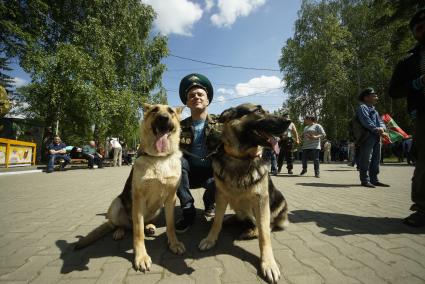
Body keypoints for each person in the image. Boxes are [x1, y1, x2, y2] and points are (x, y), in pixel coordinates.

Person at [389, 7, 425, 227]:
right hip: (424, 114)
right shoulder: (409, 61)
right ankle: (422, 208)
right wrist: (418, 83)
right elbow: (394, 90)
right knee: (424, 162)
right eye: (419, 28)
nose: (423, 30)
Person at [175, 73, 222, 233]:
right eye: (191, 95)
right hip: (188, 173)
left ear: (207, 99)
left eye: (200, 94)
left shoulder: (221, 123)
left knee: (224, 172)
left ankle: (210, 203)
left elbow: (239, 138)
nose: (196, 97)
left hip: (212, 173)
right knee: (176, 163)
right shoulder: (179, 127)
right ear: (187, 102)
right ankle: (188, 210)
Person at [356, 88, 389, 188]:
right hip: (367, 136)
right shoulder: (362, 108)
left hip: (376, 136)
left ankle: (374, 179)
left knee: (376, 159)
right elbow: (366, 121)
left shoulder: (374, 110)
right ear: (366, 97)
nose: (376, 97)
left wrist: (382, 129)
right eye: (374, 95)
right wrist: (377, 129)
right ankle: (365, 180)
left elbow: (381, 122)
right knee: (366, 158)